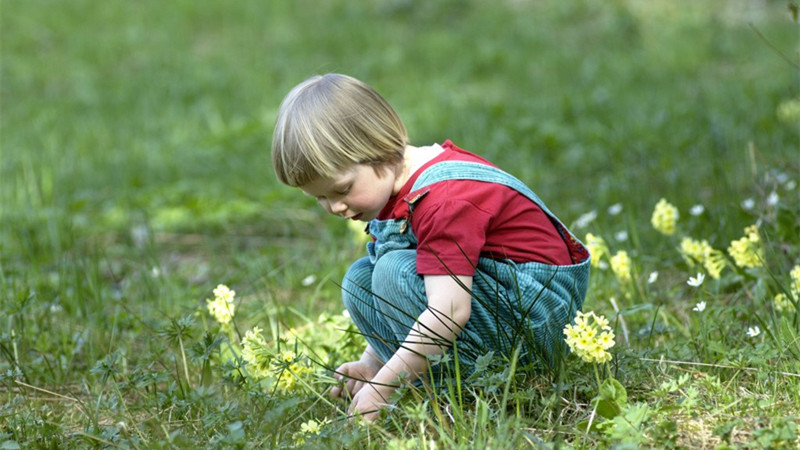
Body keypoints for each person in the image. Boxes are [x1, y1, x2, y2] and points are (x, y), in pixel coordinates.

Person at [271, 73, 590, 422]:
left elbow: (450, 311)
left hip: (533, 320)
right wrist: (373, 361)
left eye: (342, 190)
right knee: (361, 278)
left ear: (379, 149)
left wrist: (384, 388)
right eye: (320, 198)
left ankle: (473, 390)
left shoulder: (443, 200)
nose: (335, 208)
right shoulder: (393, 190)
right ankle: (430, 377)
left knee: (393, 272)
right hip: (492, 299)